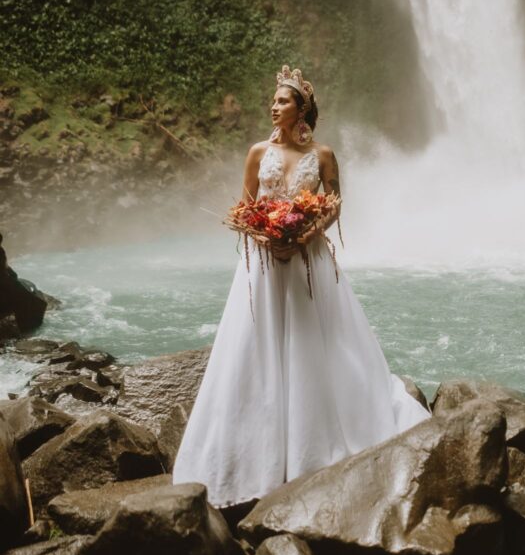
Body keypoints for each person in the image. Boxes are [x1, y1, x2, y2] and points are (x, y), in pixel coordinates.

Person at [173, 66, 429, 508]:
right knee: (257, 347)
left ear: (302, 108)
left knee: (317, 345)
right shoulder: (257, 152)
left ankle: (315, 445)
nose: (274, 107)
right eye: (272, 101)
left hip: (308, 259)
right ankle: (252, 452)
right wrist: (265, 236)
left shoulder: (324, 155)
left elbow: (334, 205)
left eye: (282, 101)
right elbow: (246, 207)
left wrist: (309, 234)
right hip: (264, 265)